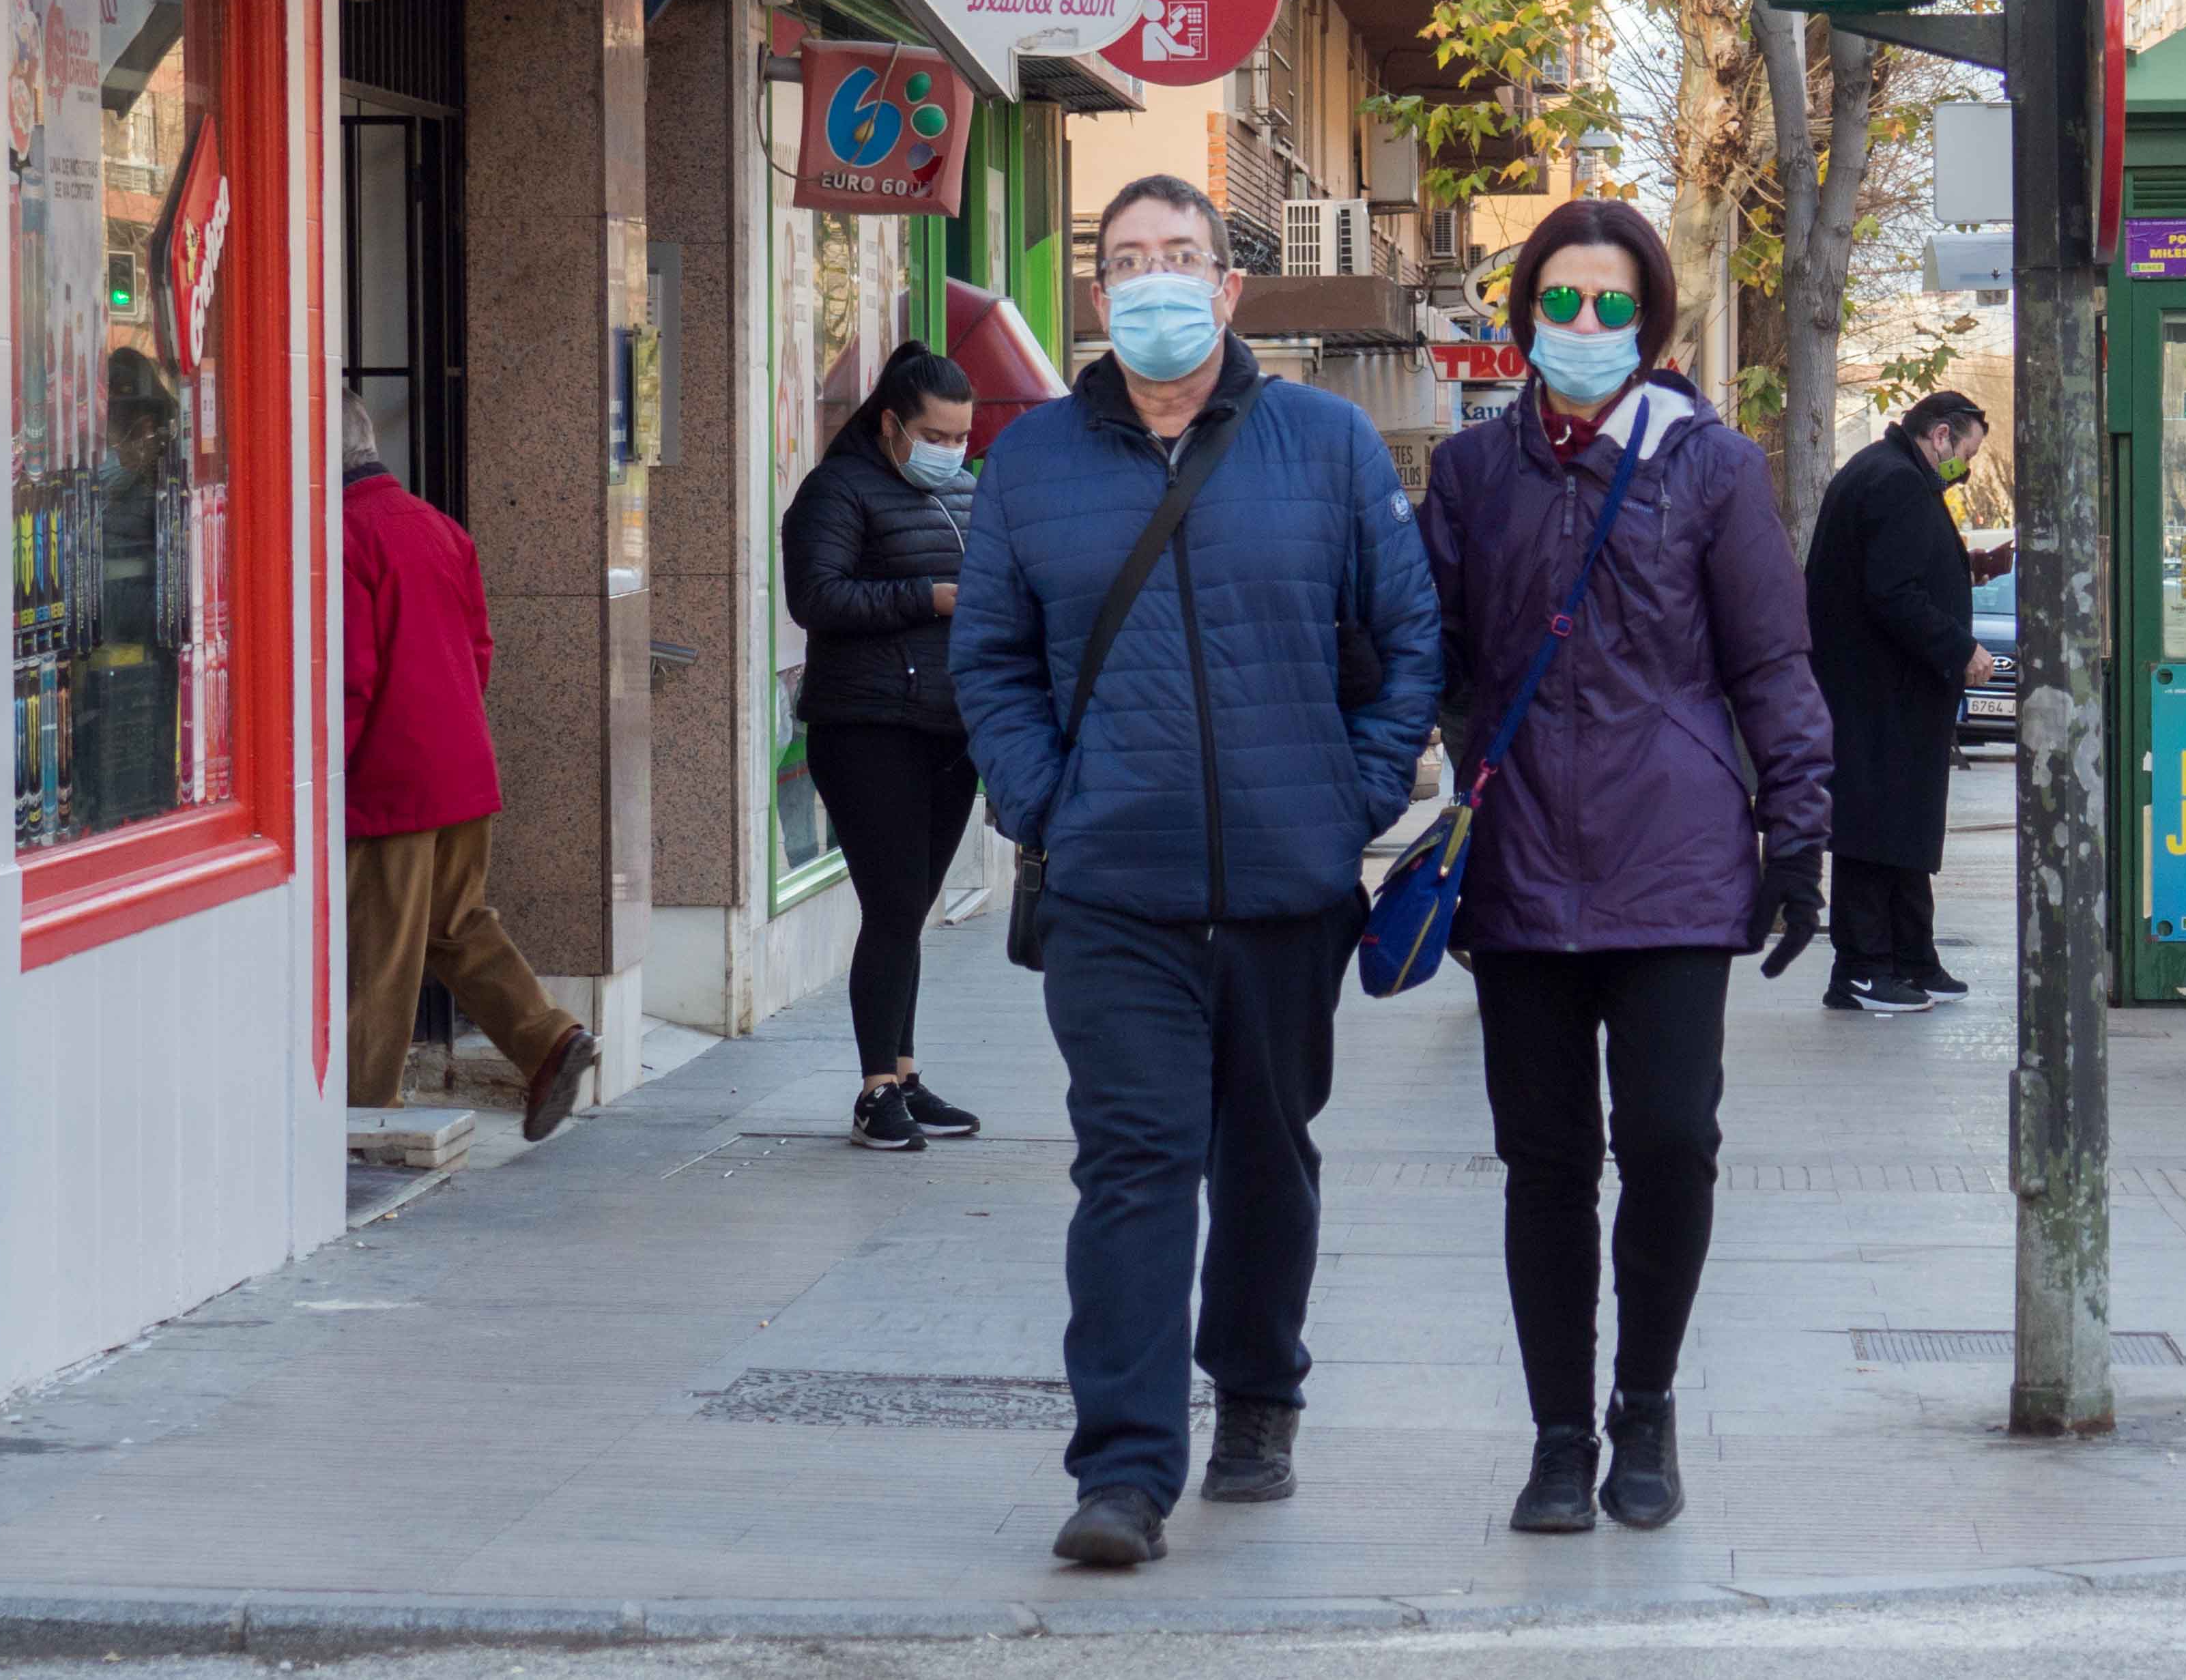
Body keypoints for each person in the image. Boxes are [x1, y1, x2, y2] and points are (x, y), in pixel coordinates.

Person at [950, 174, 1443, 1568]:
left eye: (1181, 257)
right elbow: (987, 657)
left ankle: (1260, 1389)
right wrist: (1044, 801)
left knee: (1267, 1158)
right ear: (1098, 294)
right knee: (1134, 1163)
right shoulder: (1034, 460)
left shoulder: (1327, 442)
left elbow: (1407, 636)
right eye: (1127, 260)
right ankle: (1120, 1466)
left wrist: (1351, 793)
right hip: (1114, 890)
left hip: (1290, 891)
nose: (1155, 279)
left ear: (1228, 288)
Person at [1419, 198, 1832, 1536]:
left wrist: (1801, 826)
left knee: (1667, 1140)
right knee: (1543, 1160)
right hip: (1521, 860)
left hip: (1674, 860)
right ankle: (1554, 1434)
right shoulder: (1474, 475)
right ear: (1524, 313)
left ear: (1647, 321)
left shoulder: (1709, 467)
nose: (1584, 325)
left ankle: (1641, 1408)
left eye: (1611, 305)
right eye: (1561, 300)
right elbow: (1426, 664)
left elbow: (1769, 659)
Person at [340, 391, 599, 1140]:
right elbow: (477, 650)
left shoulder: (346, 536)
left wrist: (328, 775)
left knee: (377, 953)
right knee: (457, 924)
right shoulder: (439, 528)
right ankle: (547, 1038)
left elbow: (352, 678)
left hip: (389, 778)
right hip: (460, 766)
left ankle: (363, 1115)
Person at [779, 341, 988, 1152]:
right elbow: (816, 597)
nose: (952, 451)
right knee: (894, 907)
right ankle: (874, 1091)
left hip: (950, 728)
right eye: (937, 435)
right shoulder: (837, 490)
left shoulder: (965, 494)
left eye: (962, 436)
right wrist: (928, 597)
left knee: (912, 910)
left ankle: (903, 1071)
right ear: (894, 424)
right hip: (867, 728)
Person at [1804, 390, 2005, 1013]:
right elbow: (1891, 592)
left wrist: (1966, 565)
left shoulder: (1890, 471)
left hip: (1888, 692)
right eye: (1965, 453)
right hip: (1877, 692)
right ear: (1940, 435)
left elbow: (1899, 567)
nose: (1965, 468)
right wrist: (1960, 649)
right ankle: (1862, 969)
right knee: (1875, 827)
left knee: (1904, 824)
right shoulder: (1894, 482)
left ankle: (1911, 958)